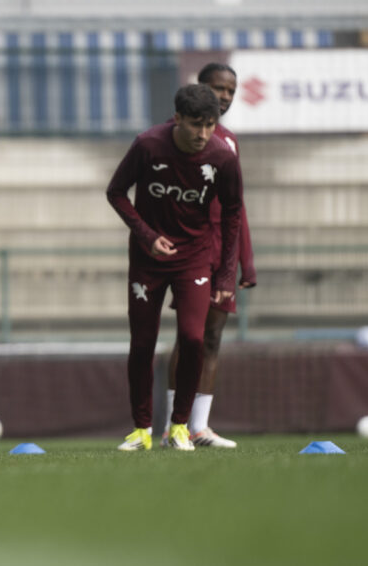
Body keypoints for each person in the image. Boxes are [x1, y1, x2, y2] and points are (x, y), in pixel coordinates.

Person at [106, 83, 242, 452]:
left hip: (194, 258)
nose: (203, 134)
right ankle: (141, 430)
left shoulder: (223, 157)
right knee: (143, 342)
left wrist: (226, 274)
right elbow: (116, 192)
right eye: (196, 124)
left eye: (210, 125)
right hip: (147, 260)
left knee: (194, 338)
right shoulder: (148, 145)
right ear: (177, 118)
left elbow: (233, 213)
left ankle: (179, 427)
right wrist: (147, 235)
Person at [161, 63, 256, 448]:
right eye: (219, 89)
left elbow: (236, 206)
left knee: (212, 337)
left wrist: (246, 260)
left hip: (222, 250)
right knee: (190, 336)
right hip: (191, 248)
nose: (225, 97)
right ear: (199, 89)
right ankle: (173, 427)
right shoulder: (172, 137)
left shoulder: (229, 142)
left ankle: (198, 427)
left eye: (231, 91)